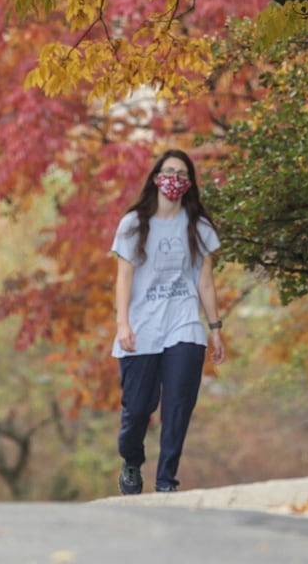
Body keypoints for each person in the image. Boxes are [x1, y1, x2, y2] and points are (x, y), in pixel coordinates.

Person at [112, 149, 225, 495]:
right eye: (168, 172)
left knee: (177, 406)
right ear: (156, 177)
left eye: (181, 174)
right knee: (137, 412)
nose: (173, 179)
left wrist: (215, 328)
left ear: (189, 184)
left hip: (184, 325)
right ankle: (132, 462)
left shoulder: (199, 227)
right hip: (142, 327)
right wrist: (123, 325)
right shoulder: (134, 223)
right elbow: (124, 277)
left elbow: (205, 281)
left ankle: (166, 481)